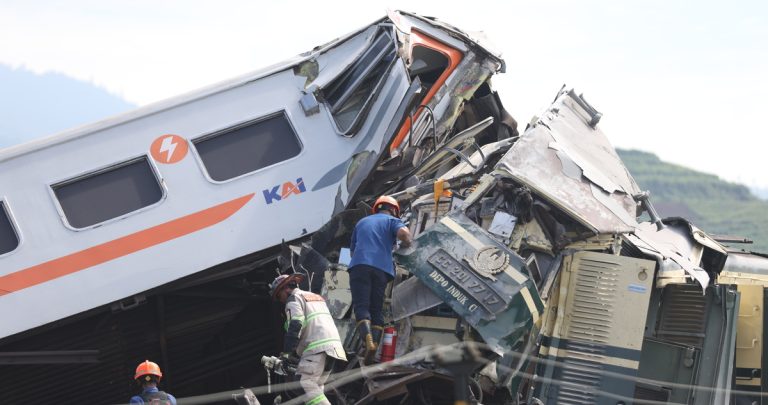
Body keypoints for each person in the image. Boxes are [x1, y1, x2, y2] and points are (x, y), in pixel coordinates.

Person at [348, 195, 412, 356]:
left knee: (362, 306)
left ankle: (367, 339)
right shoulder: (392, 221)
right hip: (382, 270)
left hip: (360, 265)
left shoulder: (361, 222)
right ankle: (374, 344)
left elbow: (352, 251)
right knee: (376, 309)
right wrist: (408, 243)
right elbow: (404, 234)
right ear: (393, 210)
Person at [270, 273, 347, 405]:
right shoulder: (315, 297)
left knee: (305, 382)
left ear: (286, 289)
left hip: (317, 347)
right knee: (315, 388)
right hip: (334, 348)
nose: (281, 300)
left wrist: (287, 353)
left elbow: (296, 324)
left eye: (279, 296)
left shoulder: (293, 299)